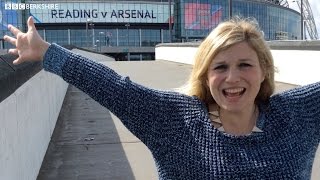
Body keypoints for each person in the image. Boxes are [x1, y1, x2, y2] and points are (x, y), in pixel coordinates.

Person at [4, 16, 320, 179]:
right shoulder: (172, 121)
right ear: (205, 75)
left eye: (245, 65)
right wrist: (47, 53)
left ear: (264, 71)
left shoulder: (297, 114)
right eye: (220, 67)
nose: (232, 78)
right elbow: (115, 88)